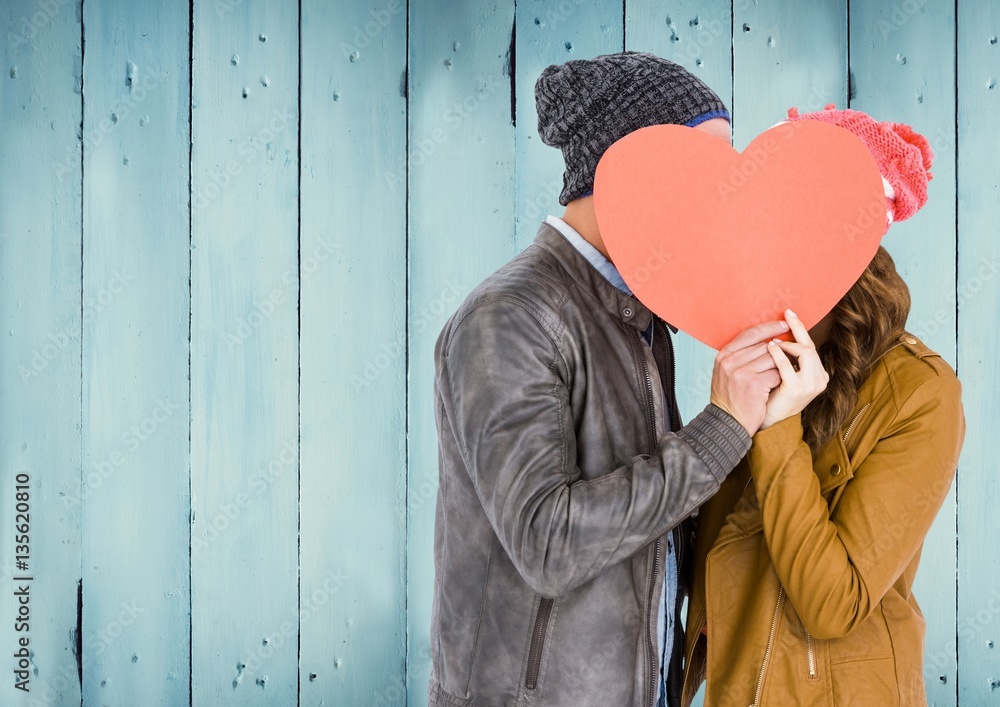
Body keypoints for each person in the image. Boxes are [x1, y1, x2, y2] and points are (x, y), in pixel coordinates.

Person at [426, 51, 787, 707]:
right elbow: (549, 542)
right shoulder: (510, 317)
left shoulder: (643, 316)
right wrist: (721, 430)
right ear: (628, 171)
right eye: (704, 171)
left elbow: (656, 521)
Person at [679, 106, 967, 707]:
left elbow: (832, 604)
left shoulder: (921, 393)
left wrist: (779, 427)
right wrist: (723, 423)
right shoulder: (760, 354)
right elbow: (705, 558)